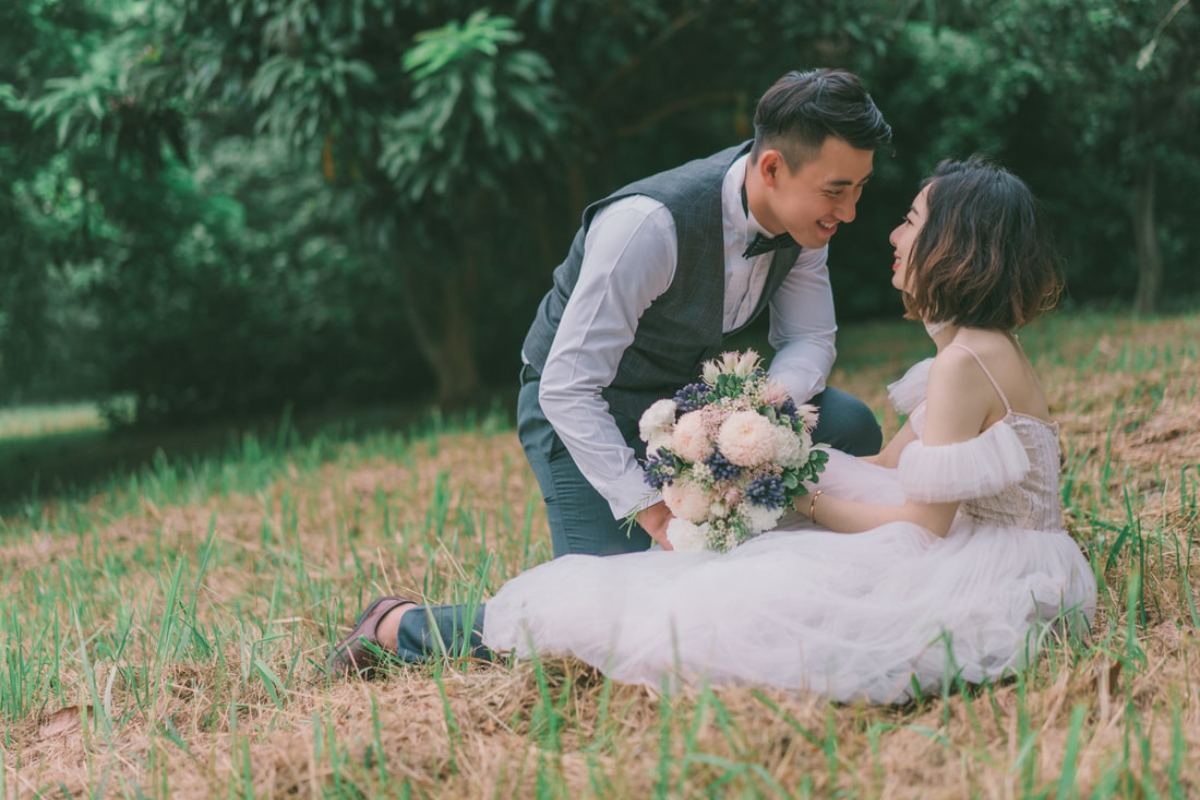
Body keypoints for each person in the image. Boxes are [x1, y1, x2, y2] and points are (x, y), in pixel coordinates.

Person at [330, 157, 1097, 702]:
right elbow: (898, 467)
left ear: (955, 246)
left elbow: (923, 522)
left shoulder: (966, 363)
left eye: (910, 219)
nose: (890, 234)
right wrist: (778, 469)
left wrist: (806, 500)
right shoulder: (973, 354)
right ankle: (412, 628)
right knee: (694, 580)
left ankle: (404, 629)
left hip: (973, 566)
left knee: (696, 610)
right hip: (1005, 552)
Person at [519, 68, 892, 558]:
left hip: (691, 408)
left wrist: (759, 420)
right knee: (610, 606)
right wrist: (654, 511)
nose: (849, 212)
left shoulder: (805, 225)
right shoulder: (647, 227)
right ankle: (403, 622)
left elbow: (810, 339)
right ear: (773, 169)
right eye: (835, 190)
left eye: (859, 188)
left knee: (849, 423)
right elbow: (568, 386)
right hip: (583, 410)